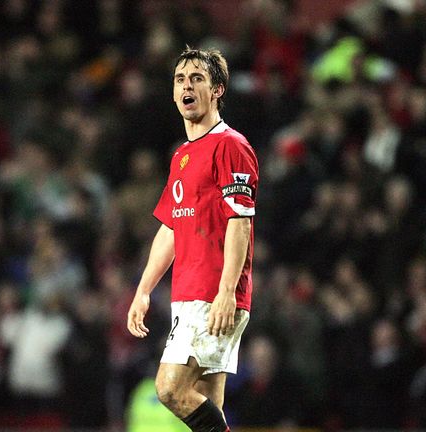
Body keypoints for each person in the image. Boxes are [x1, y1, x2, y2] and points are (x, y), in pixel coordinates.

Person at [127, 47, 259, 432]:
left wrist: (226, 291)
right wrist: (144, 289)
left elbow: (240, 221)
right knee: (207, 404)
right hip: (188, 292)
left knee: (169, 389)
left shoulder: (231, 145)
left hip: (213, 293)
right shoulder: (182, 155)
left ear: (217, 89)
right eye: (180, 79)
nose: (187, 86)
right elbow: (171, 228)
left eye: (197, 78)